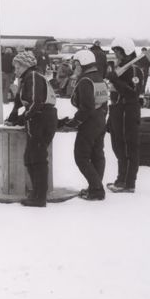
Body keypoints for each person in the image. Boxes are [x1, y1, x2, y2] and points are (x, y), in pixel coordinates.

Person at [4, 51, 58, 207]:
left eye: (17, 66)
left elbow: (36, 102)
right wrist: (13, 117)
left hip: (42, 119)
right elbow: (19, 102)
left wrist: (21, 118)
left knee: (37, 157)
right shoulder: (28, 78)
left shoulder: (33, 76)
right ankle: (36, 193)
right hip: (38, 119)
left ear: (25, 65)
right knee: (30, 157)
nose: (15, 70)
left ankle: (40, 197)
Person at [59, 50, 109, 201]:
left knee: (81, 157)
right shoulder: (99, 78)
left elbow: (86, 107)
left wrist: (74, 122)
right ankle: (95, 187)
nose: (75, 67)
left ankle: (97, 189)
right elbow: (103, 101)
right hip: (100, 120)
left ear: (81, 63)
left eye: (76, 64)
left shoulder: (86, 80)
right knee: (97, 155)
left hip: (89, 123)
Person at [106, 37, 144, 193]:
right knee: (117, 146)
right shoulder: (119, 67)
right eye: (115, 51)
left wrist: (116, 81)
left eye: (119, 52)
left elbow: (133, 93)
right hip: (116, 110)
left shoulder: (135, 70)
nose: (116, 55)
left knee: (128, 148)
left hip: (128, 112)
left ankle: (128, 182)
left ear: (127, 51)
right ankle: (120, 178)